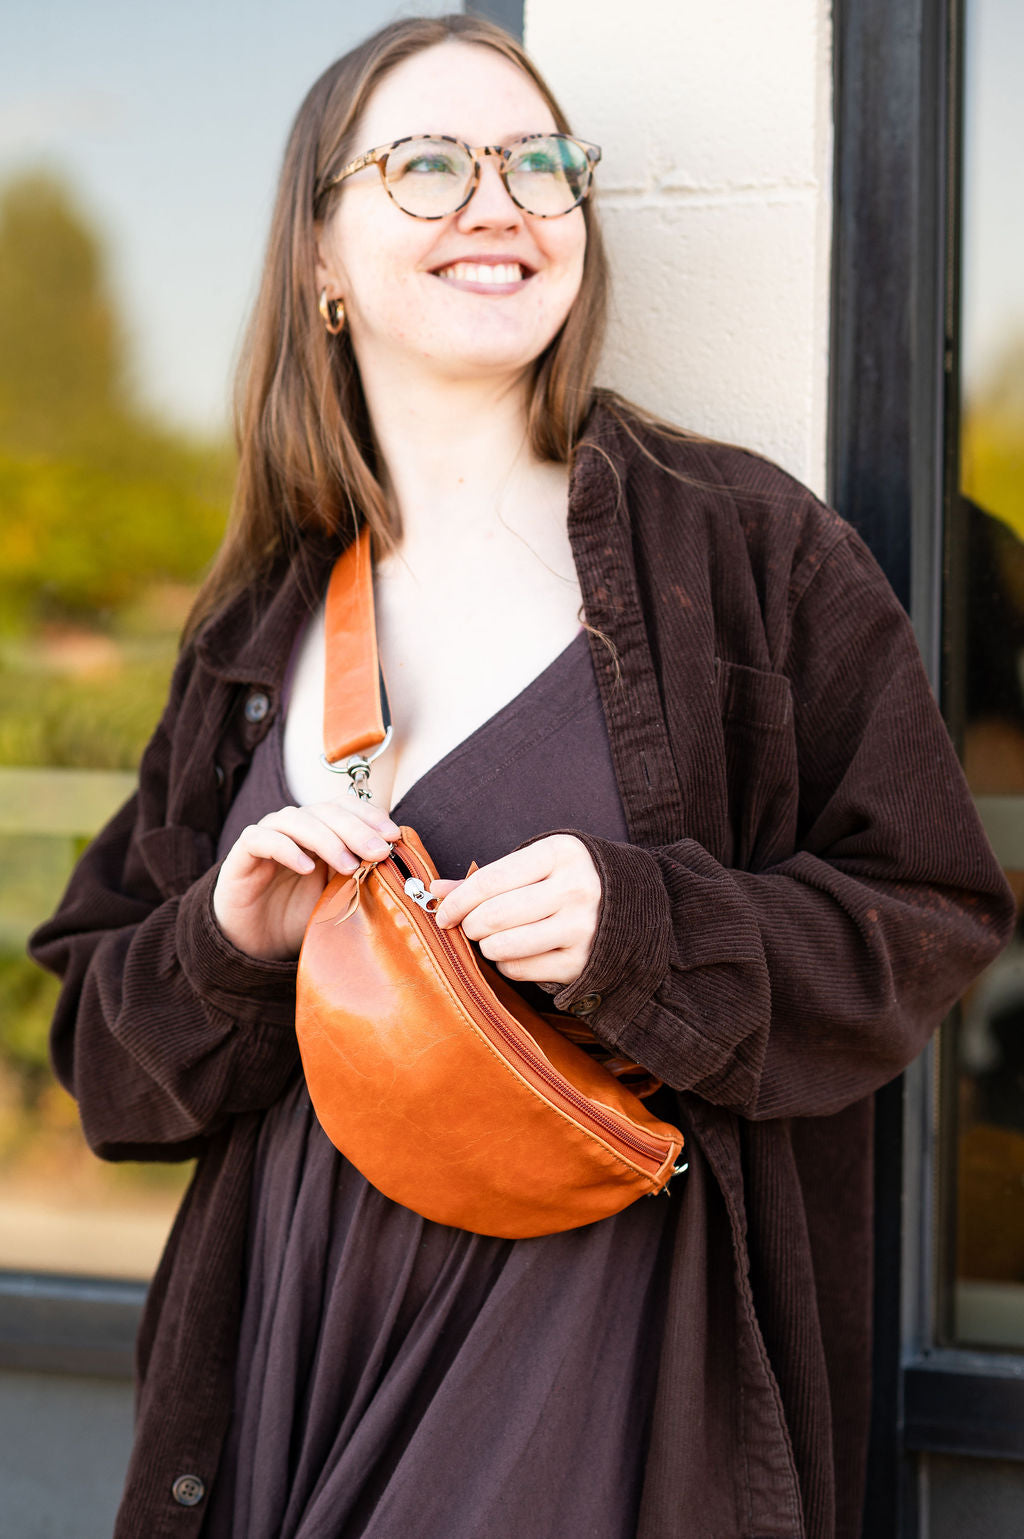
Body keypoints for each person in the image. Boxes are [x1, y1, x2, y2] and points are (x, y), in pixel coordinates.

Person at [28, 13, 1014, 1539]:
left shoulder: (748, 553)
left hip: (603, 1354)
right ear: (322, 262)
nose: (499, 200)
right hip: (296, 1352)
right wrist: (230, 942)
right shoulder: (260, 618)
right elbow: (106, 1063)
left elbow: (930, 913)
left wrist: (648, 930)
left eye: (540, 163)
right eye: (427, 164)